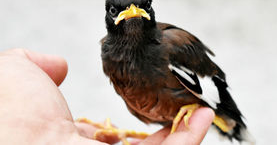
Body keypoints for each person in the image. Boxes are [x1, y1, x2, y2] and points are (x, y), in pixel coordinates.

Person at [0, 49, 214, 145]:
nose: (131, 12)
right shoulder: (110, 54)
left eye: (142, 7)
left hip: (201, 105)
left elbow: (210, 85)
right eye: (118, 11)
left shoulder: (170, 49)